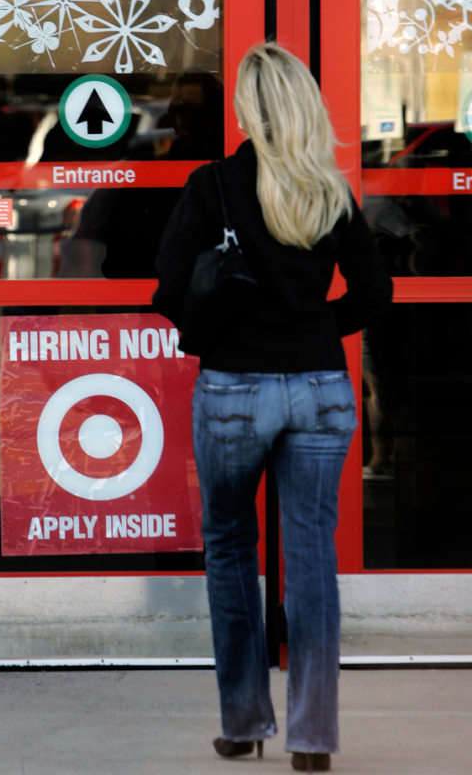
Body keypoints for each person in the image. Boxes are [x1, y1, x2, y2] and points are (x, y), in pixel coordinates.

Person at [152, 42, 392, 773]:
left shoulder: (215, 185)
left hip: (233, 391)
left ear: (248, 109)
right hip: (320, 389)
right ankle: (313, 739)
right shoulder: (330, 190)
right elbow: (376, 295)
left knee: (230, 547)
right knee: (312, 557)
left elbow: (168, 291)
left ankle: (244, 723)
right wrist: (317, 327)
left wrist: (227, 326)